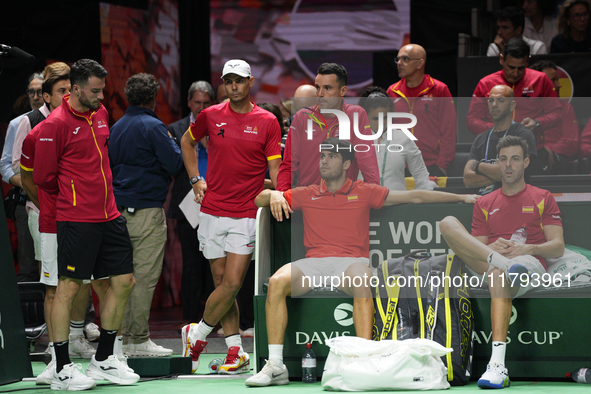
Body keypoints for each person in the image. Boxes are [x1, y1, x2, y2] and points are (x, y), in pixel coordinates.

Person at [245, 138, 477, 387]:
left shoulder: (364, 191)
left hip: (349, 262)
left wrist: (462, 199)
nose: (324, 160)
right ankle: (276, 365)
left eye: (331, 156)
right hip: (314, 263)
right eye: (322, 156)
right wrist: (276, 194)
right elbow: (259, 199)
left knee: (362, 280)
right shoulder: (306, 193)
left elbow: (416, 196)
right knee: (277, 281)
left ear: (346, 164)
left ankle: (365, 360)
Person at [34, 59, 139, 391]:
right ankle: (62, 366)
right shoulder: (55, 124)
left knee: (124, 281)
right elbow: (43, 178)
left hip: (110, 215)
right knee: (68, 288)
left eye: (102, 90)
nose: (101, 95)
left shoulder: (101, 113)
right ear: (75, 89)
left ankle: (104, 360)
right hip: (76, 219)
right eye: (95, 90)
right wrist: (74, 196)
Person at [180, 59, 281, 374]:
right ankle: (235, 349)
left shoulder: (267, 121)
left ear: (250, 82)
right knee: (221, 283)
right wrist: (196, 179)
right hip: (211, 211)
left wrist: (281, 194)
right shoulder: (210, 115)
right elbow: (187, 141)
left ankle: (195, 335)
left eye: (239, 80)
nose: (234, 86)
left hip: (246, 214)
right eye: (229, 81)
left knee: (234, 283)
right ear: (224, 84)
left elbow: (276, 170)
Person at [440, 135, 564, 389]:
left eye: (515, 159)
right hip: (492, 263)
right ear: (497, 162)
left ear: (526, 162)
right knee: (447, 223)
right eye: (504, 159)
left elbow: (558, 246)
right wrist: (491, 248)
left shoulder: (542, 196)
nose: (508, 165)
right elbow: (475, 247)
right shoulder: (485, 202)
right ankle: (502, 263)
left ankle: (497, 365)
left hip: (527, 263)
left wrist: (526, 247)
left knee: (498, 273)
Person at [17, 63, 101, 385]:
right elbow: (28, 177)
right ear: (48, 98)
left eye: (70, 89)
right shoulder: (37, 133)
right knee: (54, 290)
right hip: (51, 222)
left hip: (78, 221)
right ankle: (57, 362)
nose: (67, 95)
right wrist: (44, 205)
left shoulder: (83, 122)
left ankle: (63, 359)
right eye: (61, 92)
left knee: (72, 286)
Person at [109, 73, 184, 357]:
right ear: (154, 98)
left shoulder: (116, 128)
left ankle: (119, 340)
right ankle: (137, 340)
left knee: (120, 278)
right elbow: (175, 162)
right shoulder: (154, 127)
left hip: (116, 213)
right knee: (143, 277)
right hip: (146, 212)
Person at [277, 63, 379, 191]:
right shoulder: (302, 117)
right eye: (318, 88)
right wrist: (281, 196)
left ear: (343, 91)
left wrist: (374, 194)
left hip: (344, 202)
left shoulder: (356, 115)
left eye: (327, 88)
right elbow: (288, 165)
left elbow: (367, 162)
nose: (320, 93)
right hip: (307, 202)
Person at [167, 81, 215, 327]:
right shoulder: (175, 129)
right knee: (191, 263)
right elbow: (171, 166)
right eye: (197, 102)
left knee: (214, 262)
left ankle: (213, 317)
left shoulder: (219, 127)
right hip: (187, 206)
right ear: (189, 102)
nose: (201, 107)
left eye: (206, 103)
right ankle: (189, 317)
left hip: (217, 204)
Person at [466, 38, 561, 146]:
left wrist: (537, 123)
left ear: (527, 61)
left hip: (532, 148)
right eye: (511, 67)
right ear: (501, 59)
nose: (515, 73)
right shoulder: (486, 83)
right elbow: (472, 120)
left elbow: (556, 114)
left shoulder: (541, 80)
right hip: (496, 148)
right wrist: (495, 129)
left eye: (520, 68)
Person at [386, 44, 456, 177]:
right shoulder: (392, 91)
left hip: (431, 165)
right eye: (398, 59)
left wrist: (442, 165)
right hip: (399, 165)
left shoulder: (439, 89)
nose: (399, 63)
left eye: (405, 59)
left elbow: (449, 130)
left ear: (420, 63)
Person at [1, 72, 44, 283]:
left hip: (57, 200)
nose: (36, 96)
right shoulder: (18, 123)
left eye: (40, 92)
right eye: (31, 92)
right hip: (25, 201)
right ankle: (32, 316)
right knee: (28, 265)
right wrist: (27, 184)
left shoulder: (62, 121)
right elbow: (5, 165)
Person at [464, 85, 537, 191]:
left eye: (501, 100)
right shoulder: (480, 138)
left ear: (512, 105)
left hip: (514, 200)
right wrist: (501, 174)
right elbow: (468, 180)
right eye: (491, 100)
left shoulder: (524, 134)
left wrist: (478, 166)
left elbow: (516, 173)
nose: (494, 105)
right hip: (485, 201)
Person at [360, 90, 436, 190]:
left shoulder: (403, 138)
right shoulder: (354, 140)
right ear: (365, 116)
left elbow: (422, 178)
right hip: (364, 203)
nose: (381, 123)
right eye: (375, 118)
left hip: (397, 203)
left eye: (385, 117)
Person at [529, 61, 579, 172]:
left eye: (558, 80)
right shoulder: (522, 108)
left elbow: (571, 145)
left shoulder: (565, 108)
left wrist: (543, 152)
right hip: (527, 162)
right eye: (553, 80)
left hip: (558, 164)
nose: (559, 85)